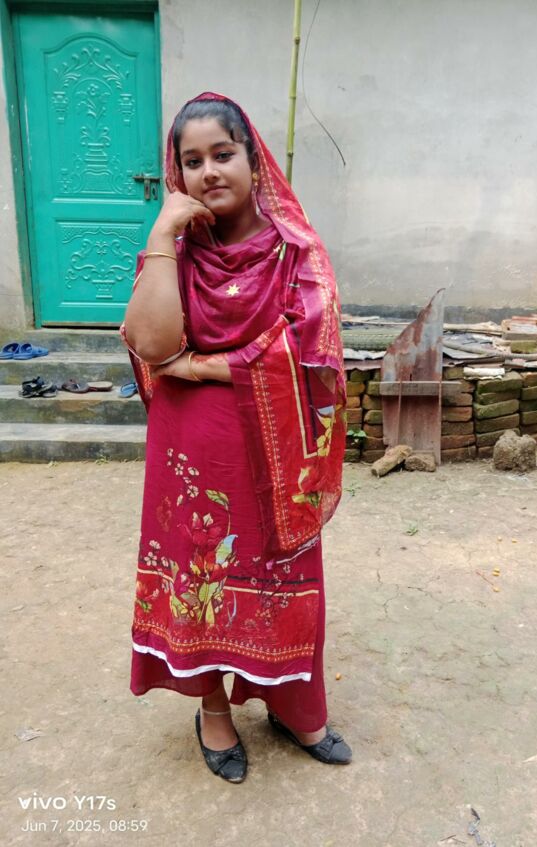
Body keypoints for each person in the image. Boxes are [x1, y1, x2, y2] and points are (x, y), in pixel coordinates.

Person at [121, 92, 350, 783]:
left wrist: (202, 365)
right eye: (191, 162)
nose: (209, 172)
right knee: (201, 577)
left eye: (222, 154)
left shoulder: (296, 252)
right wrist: (163, 234)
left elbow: (311, 359)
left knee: (284, 573)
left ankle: (295, 706)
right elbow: (152, 343)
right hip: (190, 448)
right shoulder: (174, 253)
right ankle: (213, 710)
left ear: (254, 160)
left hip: (276, 450)